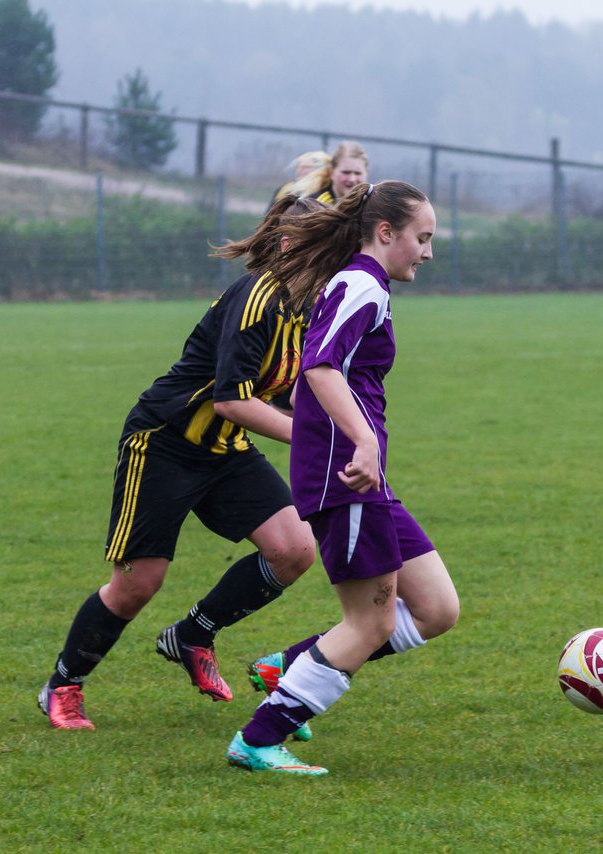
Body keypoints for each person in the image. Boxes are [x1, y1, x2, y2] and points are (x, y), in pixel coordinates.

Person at [36, 196, 328, 730]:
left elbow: (284, 392)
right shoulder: (258, 300)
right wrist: (316, 438)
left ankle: (192, 634)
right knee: (138, 584)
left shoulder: (309, 305)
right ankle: (63, 684)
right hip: (165, 443)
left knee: (294, 549)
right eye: (326, 247)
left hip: (225, 448)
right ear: (290, 246)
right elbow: (231, 399)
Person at [224, 181, 459, 775]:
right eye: (421, 238)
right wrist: (363, 442)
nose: (427, 253)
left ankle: (290, 668)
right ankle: (259, 738)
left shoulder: (366, 285)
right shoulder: (360, 285)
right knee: (371, 621)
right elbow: (320, 369)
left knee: (435, 608)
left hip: (357, 474)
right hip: (342, 475)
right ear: (386, 233)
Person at [287, 140, 369, 204]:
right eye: (346, 172)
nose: (352, 179)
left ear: (366, 172)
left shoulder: (372, 207)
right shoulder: (314, 205)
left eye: (358, 173)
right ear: (332, 172)